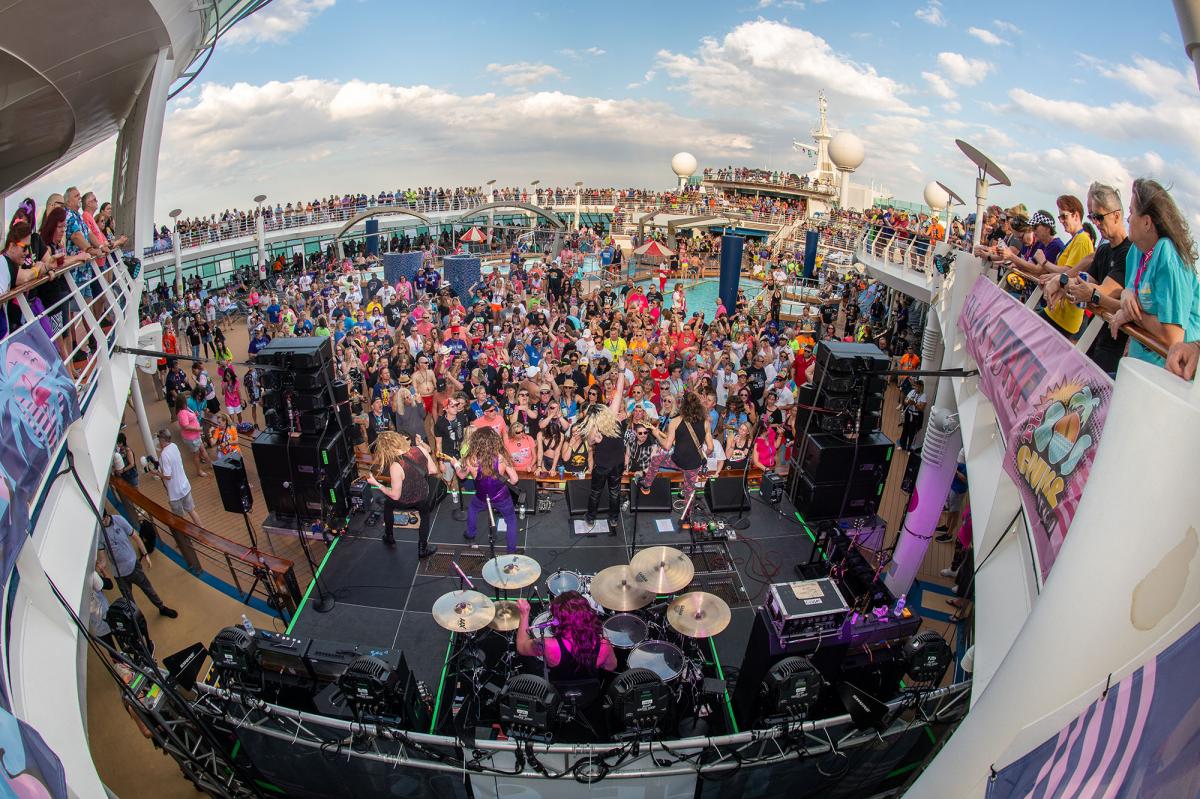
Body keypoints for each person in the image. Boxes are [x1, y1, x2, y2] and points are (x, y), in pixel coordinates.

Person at [1106, 178, 1200, 368]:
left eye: (1131, 212)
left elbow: (1173, 337)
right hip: (1139, 363)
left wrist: (1132, 316)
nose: (1128, 219)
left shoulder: (1168, 256)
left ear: (1147, 222)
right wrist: (1126, 295)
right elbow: (1131, 291)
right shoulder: (1136, 251)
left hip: (1169, 372)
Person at [514, 592, 617, 693]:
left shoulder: (548, 645)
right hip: (589, 694)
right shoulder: (604, 645)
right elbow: (611, 667)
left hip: (558, 695)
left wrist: (524, 614)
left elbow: (521, 647)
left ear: (558, 620)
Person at [366, 431, 439, 557]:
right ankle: (423, 549)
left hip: (405, 500)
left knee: (388, 504)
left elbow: (395, 495)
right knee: (425, 516)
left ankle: (389, 536)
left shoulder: (395, 466)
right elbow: (433, 470)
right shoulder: (420, 449)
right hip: (423, 494)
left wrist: (377, 484)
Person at [640, 388, 712, 513]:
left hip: (677, 460)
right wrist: (701, 456)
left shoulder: (675, 421)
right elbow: (710, 448)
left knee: (656, 460)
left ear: (683, 405)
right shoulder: (705, 422)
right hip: (693, 464)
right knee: (689, 494)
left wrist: (657, 435)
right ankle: (687, 517)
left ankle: (646, 485)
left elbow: (667, 446)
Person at [96, 512, 178, 619]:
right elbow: (103, 557)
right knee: (128, 600)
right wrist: (101, 566)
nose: (103, 522)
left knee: (148, 589)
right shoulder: (99, 532)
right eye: (101, 521)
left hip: (133, 567)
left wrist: (145, 554)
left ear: (107, 516)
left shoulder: (119, 520)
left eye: (103, 520)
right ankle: (137, 618)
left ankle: (161, 607)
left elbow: (135, 537)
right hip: (119, 575)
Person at [450, 427, 520, 552]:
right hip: (501, 496)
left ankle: (470, 534)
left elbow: (461, 476)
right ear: (495, 440)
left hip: (482, 496)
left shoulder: (471, 459)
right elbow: (514, 479)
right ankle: (511, 550)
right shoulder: (502, 457)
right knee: (511, 520)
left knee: (472, 509)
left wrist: (455, 464)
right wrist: (502, 484)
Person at [576, 367, 628, 535]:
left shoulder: (595, 425)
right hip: (617, 463)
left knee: (596, 492)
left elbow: (590, 442)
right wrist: (621, 371)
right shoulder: (613, 417)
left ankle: (591, 517)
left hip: (603, 465)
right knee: (615, 492)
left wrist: (595, 439)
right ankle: (613, 518)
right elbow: (619, 391)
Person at [146, 429, 202, 527]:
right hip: (185, 486)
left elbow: (168, 476)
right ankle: (202, 529)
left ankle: (185, 535)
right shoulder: (174, 446)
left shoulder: (164, 455)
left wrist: (157, 473)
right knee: (191, 510)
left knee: (179, 519)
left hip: (175, 492)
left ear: (162, 439)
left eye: (159, 439)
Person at [898, 379, 928, 451]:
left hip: (915, 416)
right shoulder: (912, 392)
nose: (916, 388)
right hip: (908, 413)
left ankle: (909, 448)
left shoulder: (923, 396)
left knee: (912, 432)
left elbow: (921, 408)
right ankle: (902, 445)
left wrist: (914, 403)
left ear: (921, 387)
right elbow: (905, 401)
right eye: (915, 386)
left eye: (918, 387)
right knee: (905, 429)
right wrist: (908, 402)